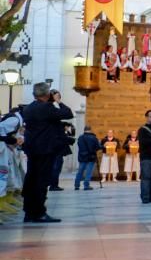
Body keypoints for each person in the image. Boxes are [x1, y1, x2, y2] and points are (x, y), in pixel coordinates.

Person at [21, 82, 73, 223]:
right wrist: (57, 101)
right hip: (45, 149)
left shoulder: (28, 108)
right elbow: (68, 114)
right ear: (47, 94)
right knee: (42, 181)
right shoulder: (46, 107)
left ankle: (29, 212)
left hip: (32, 148)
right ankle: (39, 213)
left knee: (31, 179)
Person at [74, 125, 99, 191]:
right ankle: (86, 185)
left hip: (82, 156)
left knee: (80, 171)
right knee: (88, 172)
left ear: (84, 130)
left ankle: (76, 185)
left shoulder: (80, 137)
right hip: (91, 157)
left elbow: (79, 146)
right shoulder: (93, 138)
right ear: (90, 130)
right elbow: (98, 147)